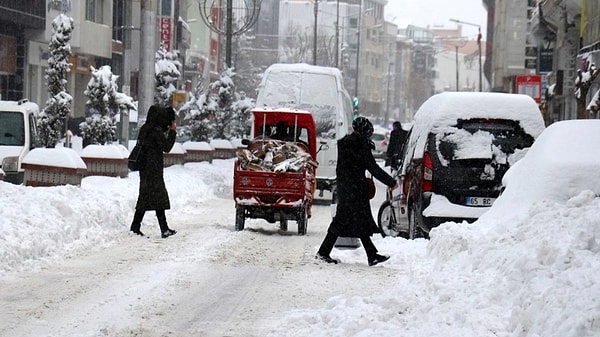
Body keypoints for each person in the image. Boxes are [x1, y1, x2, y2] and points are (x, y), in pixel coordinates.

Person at [316, 116, 397, 266]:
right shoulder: (361, 145)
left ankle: (371, 255)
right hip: (356, 190)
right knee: (344, 222)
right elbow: (373, 167)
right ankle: (323, 252)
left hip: (346, 189)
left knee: (358, 222)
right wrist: (391, 182)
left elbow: (342, 168)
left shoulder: (344, 144)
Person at [130, 105, 178, 238]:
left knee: (147, 197)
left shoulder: (145, 129)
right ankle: (161, 229)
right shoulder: (156, 131)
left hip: (145, 168)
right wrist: (172, 132)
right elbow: (166, 147)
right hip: (154, 169)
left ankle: (138, 226)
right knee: (156, 197)